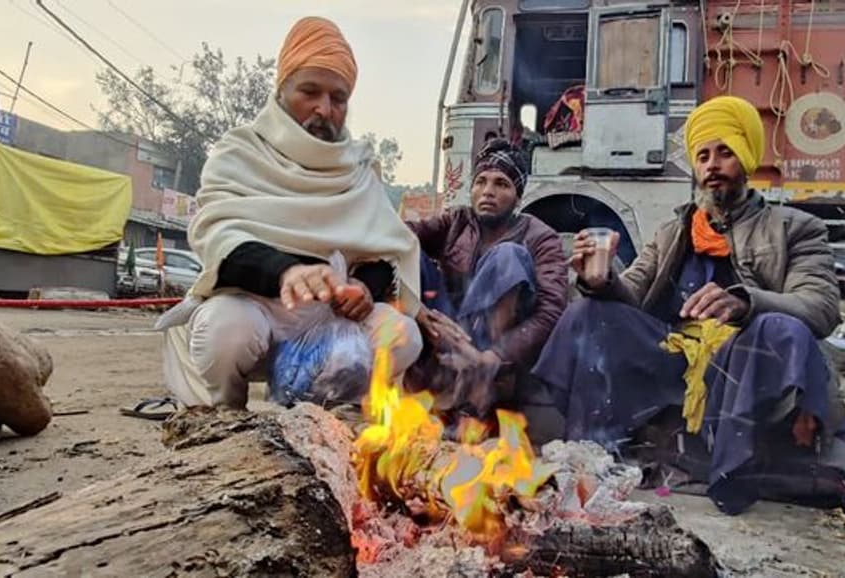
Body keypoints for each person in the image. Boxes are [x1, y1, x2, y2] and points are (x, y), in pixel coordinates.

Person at [532, 96, 845, 523]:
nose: (712, 165)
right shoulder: (675, 231)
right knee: (589, 313)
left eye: (724, 152)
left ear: (746, 158)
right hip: (671, 361)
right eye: (703, 156)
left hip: (741, 364)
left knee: (780, 326)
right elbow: (631, 295)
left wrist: (747, 303)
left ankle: (734, 464)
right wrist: (601, 280)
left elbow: (819, 308)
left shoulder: (795, 228)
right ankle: (586, 447)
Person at [157, 17, 423, 410]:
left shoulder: (358, 169)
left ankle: (319, 424)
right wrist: (287, 272)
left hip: (326, 322)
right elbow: (217, 240)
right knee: (226, 331)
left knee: (403, 334)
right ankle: (225, 424)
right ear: (282, 90)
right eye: (310, 91)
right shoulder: (239, 153)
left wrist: (365, 288)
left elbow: (380, 252)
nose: (324, 108)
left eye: (339, 98)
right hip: (254, 310)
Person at [405, 139, 569, 438]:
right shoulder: (456, 221)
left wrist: (496, 354)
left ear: (518, 197)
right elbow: (402, 236)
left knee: (508, 257)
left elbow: (551, 311)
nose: (488, 191)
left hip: (495, 347)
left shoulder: (540, 237)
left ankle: (477, 391)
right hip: (447, 328)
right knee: (402, 250)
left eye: (501, 184)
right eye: (480, 182)